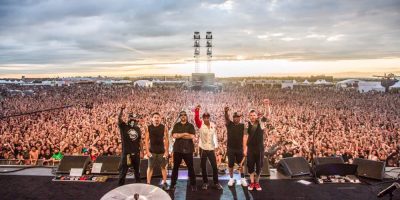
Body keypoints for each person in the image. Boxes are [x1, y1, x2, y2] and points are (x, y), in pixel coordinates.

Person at [243, 99, 271, 191]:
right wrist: (245, 148)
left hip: (259, 148)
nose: (252, 117)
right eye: (251, 115)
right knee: (250, 165)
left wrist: (267, 105)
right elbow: (245, 136)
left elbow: (267, 115)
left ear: (256, 115)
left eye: (254, 115)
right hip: (250, 148)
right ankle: (251, 183)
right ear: (249, 116)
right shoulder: (247, 125)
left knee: (259, 166)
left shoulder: (260, 122)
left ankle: (257, 182)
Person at [194, 105, 223, 190]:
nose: (206, 118)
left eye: (207, 117)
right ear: (203, 118)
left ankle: (216, 182)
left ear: (209, 118)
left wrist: (216, 147)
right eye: (204, 117)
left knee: (214, 166)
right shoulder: (200, 124)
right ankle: (205, 182)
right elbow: (196, 118)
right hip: (203, 148)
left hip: (211, 148)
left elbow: (214, 136)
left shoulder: (213, 125)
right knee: (203, 166)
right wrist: (197, 110)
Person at [170, 110, 197, 191]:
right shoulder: (176, 125)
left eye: (184, 115)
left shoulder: (191, 125)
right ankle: (173, 184)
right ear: (180, 116)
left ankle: (193, 184)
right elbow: (174, 135)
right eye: (181, 115)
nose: (183, 116)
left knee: (191, 168)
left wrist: (180, 135)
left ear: (186, 116)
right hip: (177, 149)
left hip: (188, 150)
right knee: (175, 168)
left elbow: (192, 136)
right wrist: (185, 134)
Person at [117, 104, 142, 186]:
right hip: (126, 154)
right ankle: (120, 187)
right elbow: (119, 119)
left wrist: (142, 151)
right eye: (131, 118)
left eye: (134, 119)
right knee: (123, 172)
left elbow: (139, 140)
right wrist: (121, 109)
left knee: (137, 172)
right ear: (128, 119)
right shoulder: (124, 127)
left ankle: (138, 186)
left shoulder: (137, 128)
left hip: (136, 153)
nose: (133, 120)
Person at [144, 112, 169, 190]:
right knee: (150, 167)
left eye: (158, 117)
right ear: (152, 119)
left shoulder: (164, 127)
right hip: (152, 151)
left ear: (160, 118)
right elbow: (146, 140)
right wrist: (147, 151)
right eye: (155, 117)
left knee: (163, 167)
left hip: (161, 151)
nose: (156, 119)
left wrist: (166, 151)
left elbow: (166, 140)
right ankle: (148, 183)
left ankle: (164, 182)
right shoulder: (148, 127)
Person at [224, 106, 248, 187]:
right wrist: (226, 112)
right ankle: (231, 178)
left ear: (240, 118)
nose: (236, 118)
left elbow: (245, 137)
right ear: (233, 118)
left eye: (237, 117)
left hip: (239, 148)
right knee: (230, 165)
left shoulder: (242, 125)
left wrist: (245, 148)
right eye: (234, 117)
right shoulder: (229, 124)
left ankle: (242, 178)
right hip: (230, 148)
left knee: (241, 165)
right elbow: (227, 118)